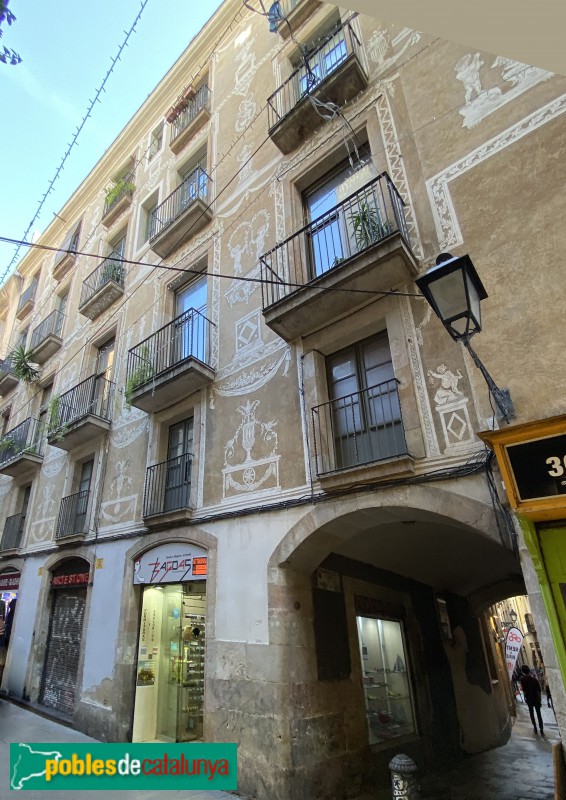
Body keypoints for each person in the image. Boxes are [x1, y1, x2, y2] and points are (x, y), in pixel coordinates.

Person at [520, 664, 544, 735]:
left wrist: (525, 697)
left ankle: (535, 727)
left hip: (529, 698)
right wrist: (539, 698)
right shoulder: (534, 679)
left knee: (531, 713)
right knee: (539, 714)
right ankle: (541, 729)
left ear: (523, 671)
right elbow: (539, 690)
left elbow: (524, 690)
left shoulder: (522, 679)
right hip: (536, 698)